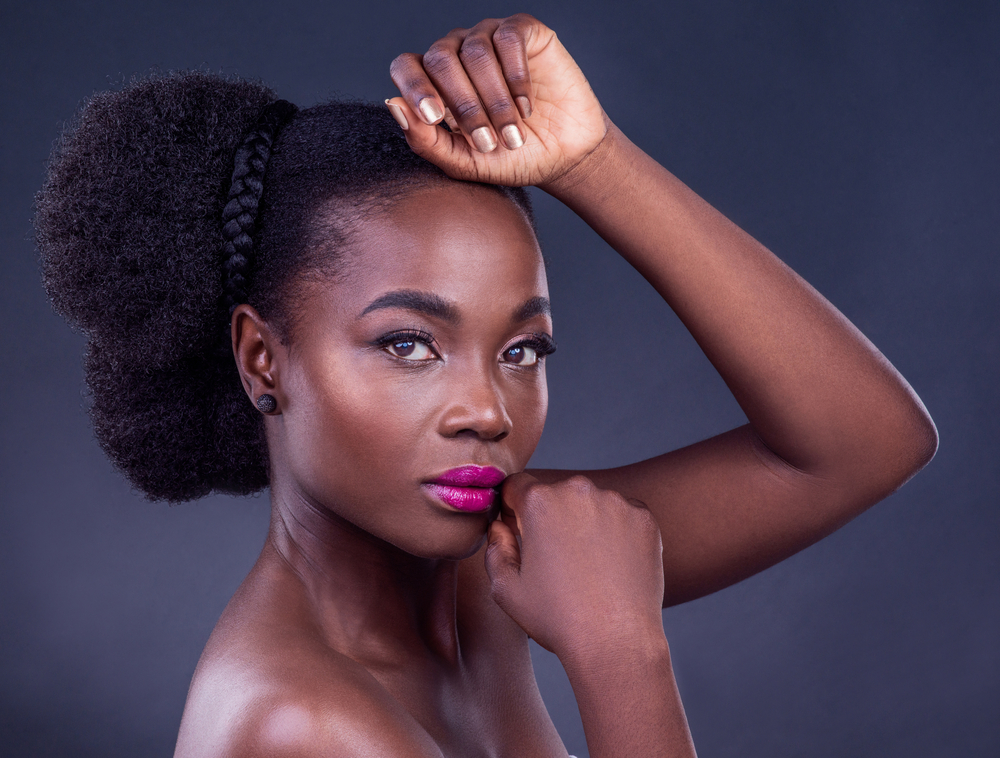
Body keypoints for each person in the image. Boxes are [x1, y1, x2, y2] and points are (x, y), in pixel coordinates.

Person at [34, 13, 936, 758]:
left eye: (523, 351)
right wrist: (620, 653)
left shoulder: (483, 568)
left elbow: (862, 445)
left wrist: (592, 161)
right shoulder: (299, 724)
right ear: (262, 359)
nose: (487, 412)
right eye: (409, 344)